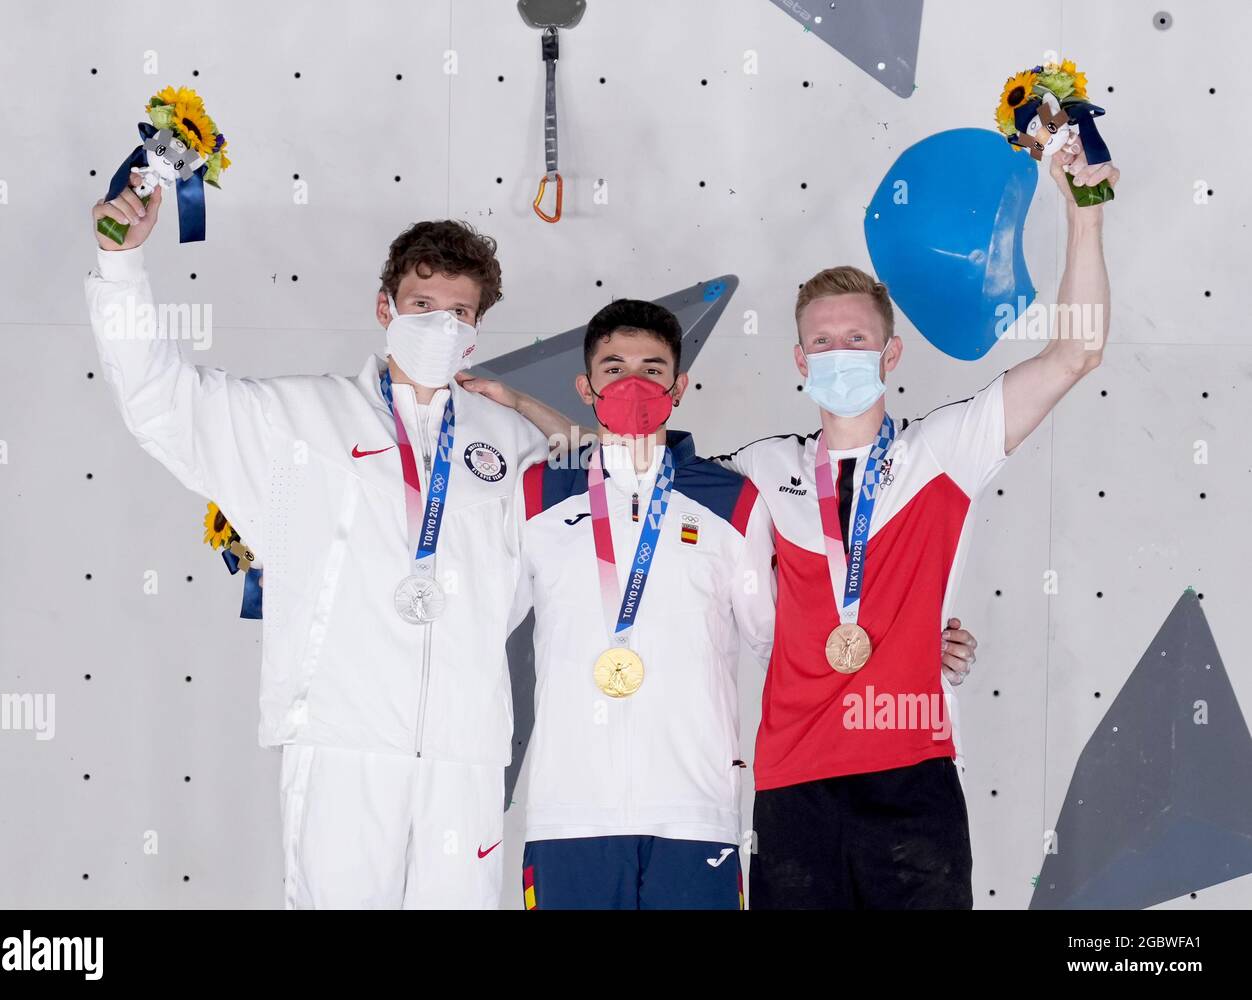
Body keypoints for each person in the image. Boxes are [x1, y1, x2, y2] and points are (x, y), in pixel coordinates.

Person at [465, 135, 1110, 908]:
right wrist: (529, 412)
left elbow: (1076, 353)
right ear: (801, 360)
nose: (840, 353)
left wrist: (1085, 216)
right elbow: (630, 461)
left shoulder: (946, 453)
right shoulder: (758, 476)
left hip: (912, 775)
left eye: (856, 341)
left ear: (890, 355)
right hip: (792, 788)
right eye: (823, 342)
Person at [86, 173, 549, 908]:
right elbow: (162, 404)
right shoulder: (299, 422)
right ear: (385, 307)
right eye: (423, 306)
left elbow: (588, 526)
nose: (441, 326)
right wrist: (122, 270)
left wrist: (528, 407)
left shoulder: (511, 443)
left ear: (477, 328)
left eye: (460, 312)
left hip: (465, 752)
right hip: (343, 737)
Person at [467, 301, 981, 909]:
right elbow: (477, 614)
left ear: (679, 387)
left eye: (653, 370)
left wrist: (913, 648)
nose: (634, 384)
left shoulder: (732, 500)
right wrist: (524, 408)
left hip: (698, 814)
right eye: (614, 368)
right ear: (586, 386)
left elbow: (787, 639)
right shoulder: (535, 491)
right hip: (567, 811)